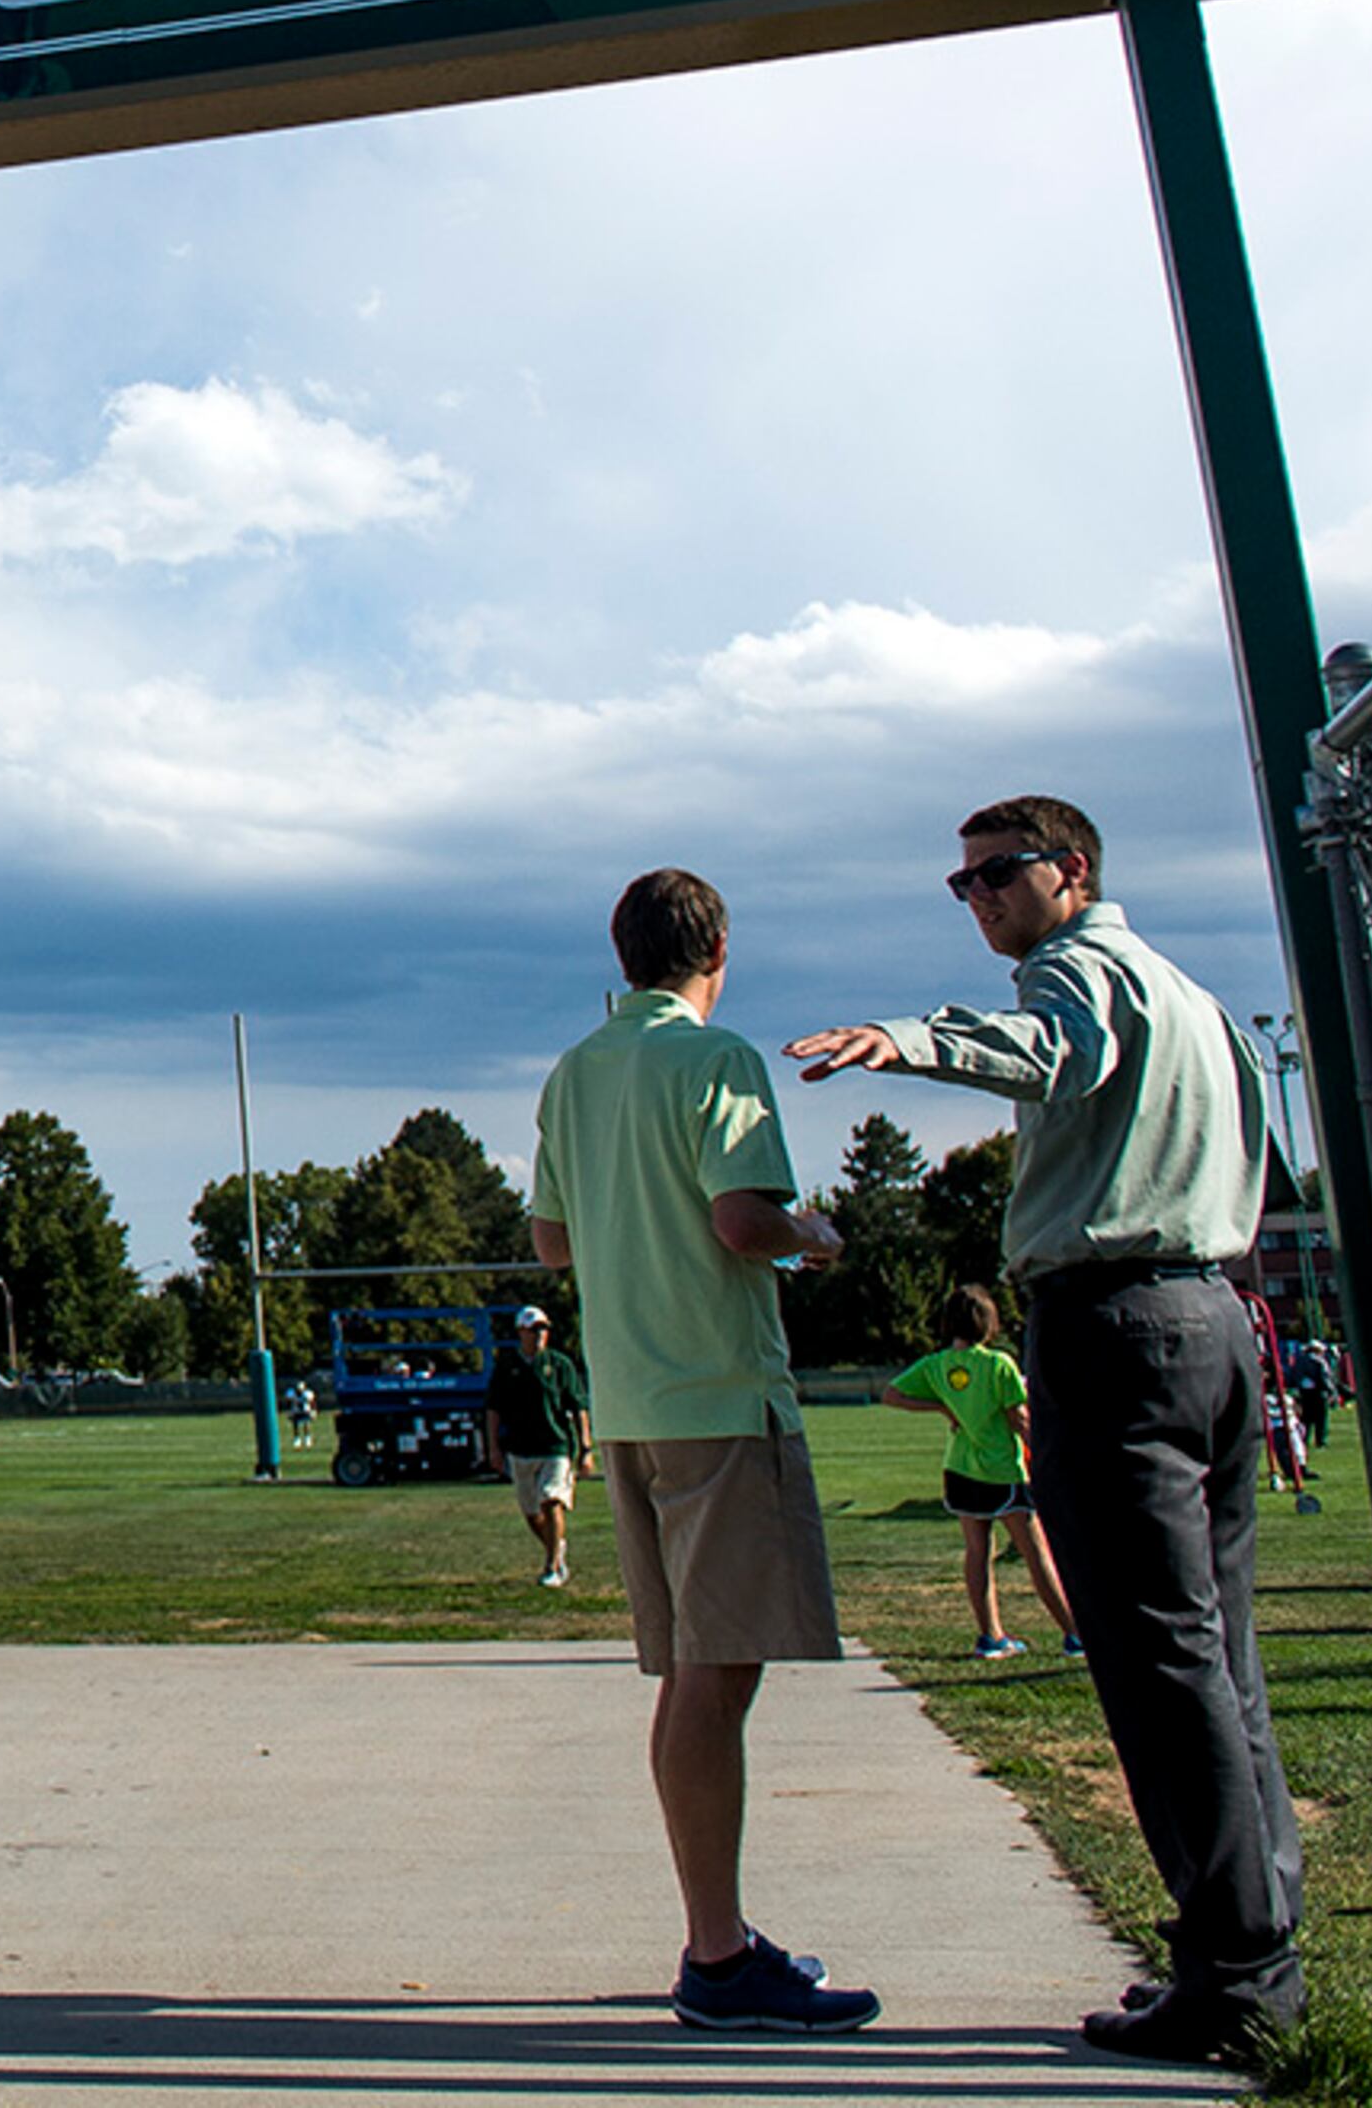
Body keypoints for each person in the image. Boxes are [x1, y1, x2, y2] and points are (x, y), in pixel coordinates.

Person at [794, 795, 1300, 2064]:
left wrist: (908, 1040)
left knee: (1157, 1659)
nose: (979, 900)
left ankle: (1236, 1972)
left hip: (1116, 1323)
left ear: (1071, 871)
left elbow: (1052, 1050)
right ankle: (1256, 1942)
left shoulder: (1077, 976)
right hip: (1215, 1320)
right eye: (959, 885)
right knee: (1218, 1651)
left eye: (997, 875)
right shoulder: (1196, 999)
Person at [533, 867, 876, 2036]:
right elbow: (742, 1219)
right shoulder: (715, 1060)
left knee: (694, 1670)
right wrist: (812, 1236)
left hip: (627, 1402)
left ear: (620, 953)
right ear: (717, 946)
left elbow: (549, 1240)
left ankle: (716, 1938)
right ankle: (718, 1953)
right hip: (720, 1396)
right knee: (717, 1678)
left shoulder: (577, 1070)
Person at [877, 1284, 1079, 1659]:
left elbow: (891, 1394)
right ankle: (1074, 1634)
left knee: (977, 1552)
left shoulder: (937, 1365)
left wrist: (941, 1408)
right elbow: (1018, 1416)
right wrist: (1049, 1455)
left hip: (960, 1470)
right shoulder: (998, 1364)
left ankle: (991, 1636)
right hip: (1003, 1471)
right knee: (1037, 1555)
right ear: (989, 1323)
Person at [481, 1305, 591, 1589]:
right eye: (533, 1329)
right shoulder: (507, 1367)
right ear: (521, 1333)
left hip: (555, 1446)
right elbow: (494, 1409)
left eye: (543, 1328)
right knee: (532, 1513)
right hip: (521, 1448)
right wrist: (493, 1448)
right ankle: (556, 1549)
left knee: (551, 1500)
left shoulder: (560, 1365)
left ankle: (552, 1566)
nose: (540, 1334)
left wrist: (586, 1449)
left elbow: (578, 1407)